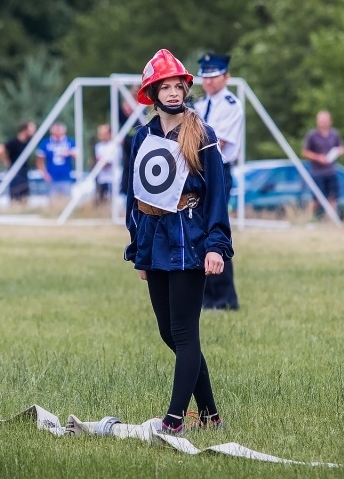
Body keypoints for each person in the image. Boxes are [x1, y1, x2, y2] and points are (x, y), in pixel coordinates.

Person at [125, 49, 232, 435]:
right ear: (152, 93)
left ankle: (173, 420)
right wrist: (137, 248)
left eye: (178, 86)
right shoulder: (142, 136)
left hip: (191, 238)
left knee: (185, 332)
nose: (173, 93)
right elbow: (134, 194)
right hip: (154, 241)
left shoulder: (202, 134)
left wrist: (216, 246)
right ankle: (210, 415)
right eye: (164, 87)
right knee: (169, 332)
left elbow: (219, 193)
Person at [192, 52, 242, 311]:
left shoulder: (231, 105)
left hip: (218, 170)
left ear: (226, 77)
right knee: (197, 231)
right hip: (197, 170)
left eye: (214, 76)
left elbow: (216, 144)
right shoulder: (199, 106)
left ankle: (223, 298)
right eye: (205, 76)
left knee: (216, 230)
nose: (208, 82)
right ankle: (205, 296)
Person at [301, 109, 344, 218]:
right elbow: (305, 152)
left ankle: (330, 220)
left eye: (324, 120)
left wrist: (338, 152)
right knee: (317, 199)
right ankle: (308, 218)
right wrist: (318, 158)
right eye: (320, 120)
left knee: (333, 198)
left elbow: (341, 147)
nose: (322, 122)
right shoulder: (312, 135)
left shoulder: (334, 134)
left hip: (331, 171)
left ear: (329, 121)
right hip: (317, 172)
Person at [0, 121, 36, 201]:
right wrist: (6, 161)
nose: (34, 131)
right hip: (15, 175)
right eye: (32, 129)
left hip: (24, 174)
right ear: (25, 130)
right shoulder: (14, 142)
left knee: (25, 198)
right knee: (16, 198)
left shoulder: (28, 142)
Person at [35, 122, 77, 197]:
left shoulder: (70, 142)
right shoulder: (45, 143)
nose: (58, 132)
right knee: (52, 201)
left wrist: (69, 153)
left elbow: (77, 156)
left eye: (59, 130)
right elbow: (39, 161)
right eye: (56, 130)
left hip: (66, 177)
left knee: (66, 199)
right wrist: (44, 174)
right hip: (51, 177)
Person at [93, 123, 120, 204]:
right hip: (102, 178)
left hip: (113, 178)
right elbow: (98, 160)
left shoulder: (115, 146)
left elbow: (108, 163)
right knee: (101, 200)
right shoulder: (98, 146)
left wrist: (102, 161)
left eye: (103, 133)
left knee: (112, 200)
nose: (101, 135)